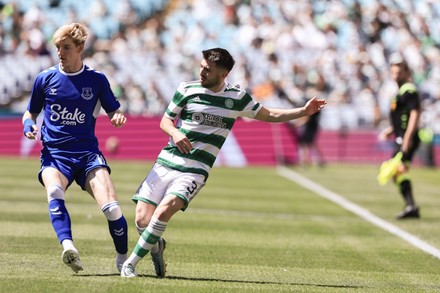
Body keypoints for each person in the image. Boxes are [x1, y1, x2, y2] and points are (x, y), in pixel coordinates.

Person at [120, 47, 327, 278]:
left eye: (208, 70)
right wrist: (175, 133)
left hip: (195, 170)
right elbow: (166, 121)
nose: (202, 72)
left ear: (223, 74)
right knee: (141, 220)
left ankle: (130, 264)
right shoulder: (186, 89)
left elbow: (269, 114)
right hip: (167, 161)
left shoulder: (237, 98)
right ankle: (156, 248)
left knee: (164, 211)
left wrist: (303, 111)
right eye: (201, 66)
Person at [22, 23, 129, 273]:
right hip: (55, 155)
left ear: (80, 48)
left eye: (66, 47)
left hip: (87, 155)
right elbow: (31, 111)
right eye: (58, 47)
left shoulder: (97, 80)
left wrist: (116, 118)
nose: (60, 52)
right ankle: (68, 247)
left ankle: (124, 259)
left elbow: (114, 111)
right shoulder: (45, 78)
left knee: (112, 209)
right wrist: (28, 124)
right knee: (55, 193)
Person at [378, 54, 421, 219]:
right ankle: (411, 206)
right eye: (393, 73)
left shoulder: (409, 90)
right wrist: (391, 130)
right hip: (400, 137)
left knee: (397, 169)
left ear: (406, 73)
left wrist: (407, 141)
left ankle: (411, 206)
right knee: (396, 172)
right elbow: (401, 116)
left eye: (398, 73)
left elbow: (414, 115)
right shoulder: (401, 91)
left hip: (406, 139)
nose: (395, 76)